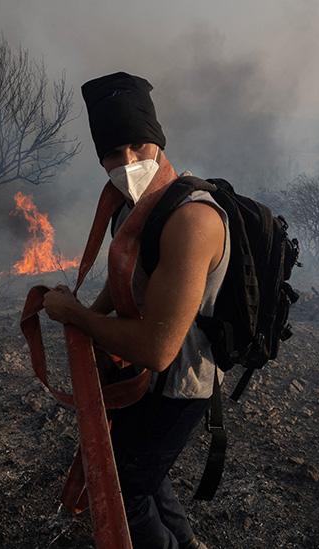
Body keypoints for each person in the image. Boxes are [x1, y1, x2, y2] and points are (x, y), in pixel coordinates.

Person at [43, 72, 227, 549]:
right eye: (112, 153)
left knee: (124, 490)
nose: (126, 162)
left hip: (182, 381)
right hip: (145, 376)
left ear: (158, 143)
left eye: (138, 146)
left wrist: (77, 318)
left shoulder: (191, 221)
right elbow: (125, 280)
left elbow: (158, 350)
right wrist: (87, 308)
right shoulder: (131, 206)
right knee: (137, 465)